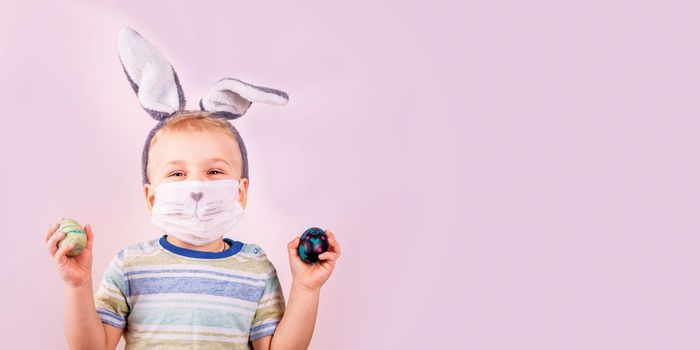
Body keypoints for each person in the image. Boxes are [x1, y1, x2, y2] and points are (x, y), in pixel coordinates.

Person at [43, 27, 341, 350]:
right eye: (177, 173)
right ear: (151, 197)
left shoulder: (255, 269)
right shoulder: (131, 266)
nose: (196, 186)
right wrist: (77, 285)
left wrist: (306, 289)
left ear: (240, 191)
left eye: (214, 171)